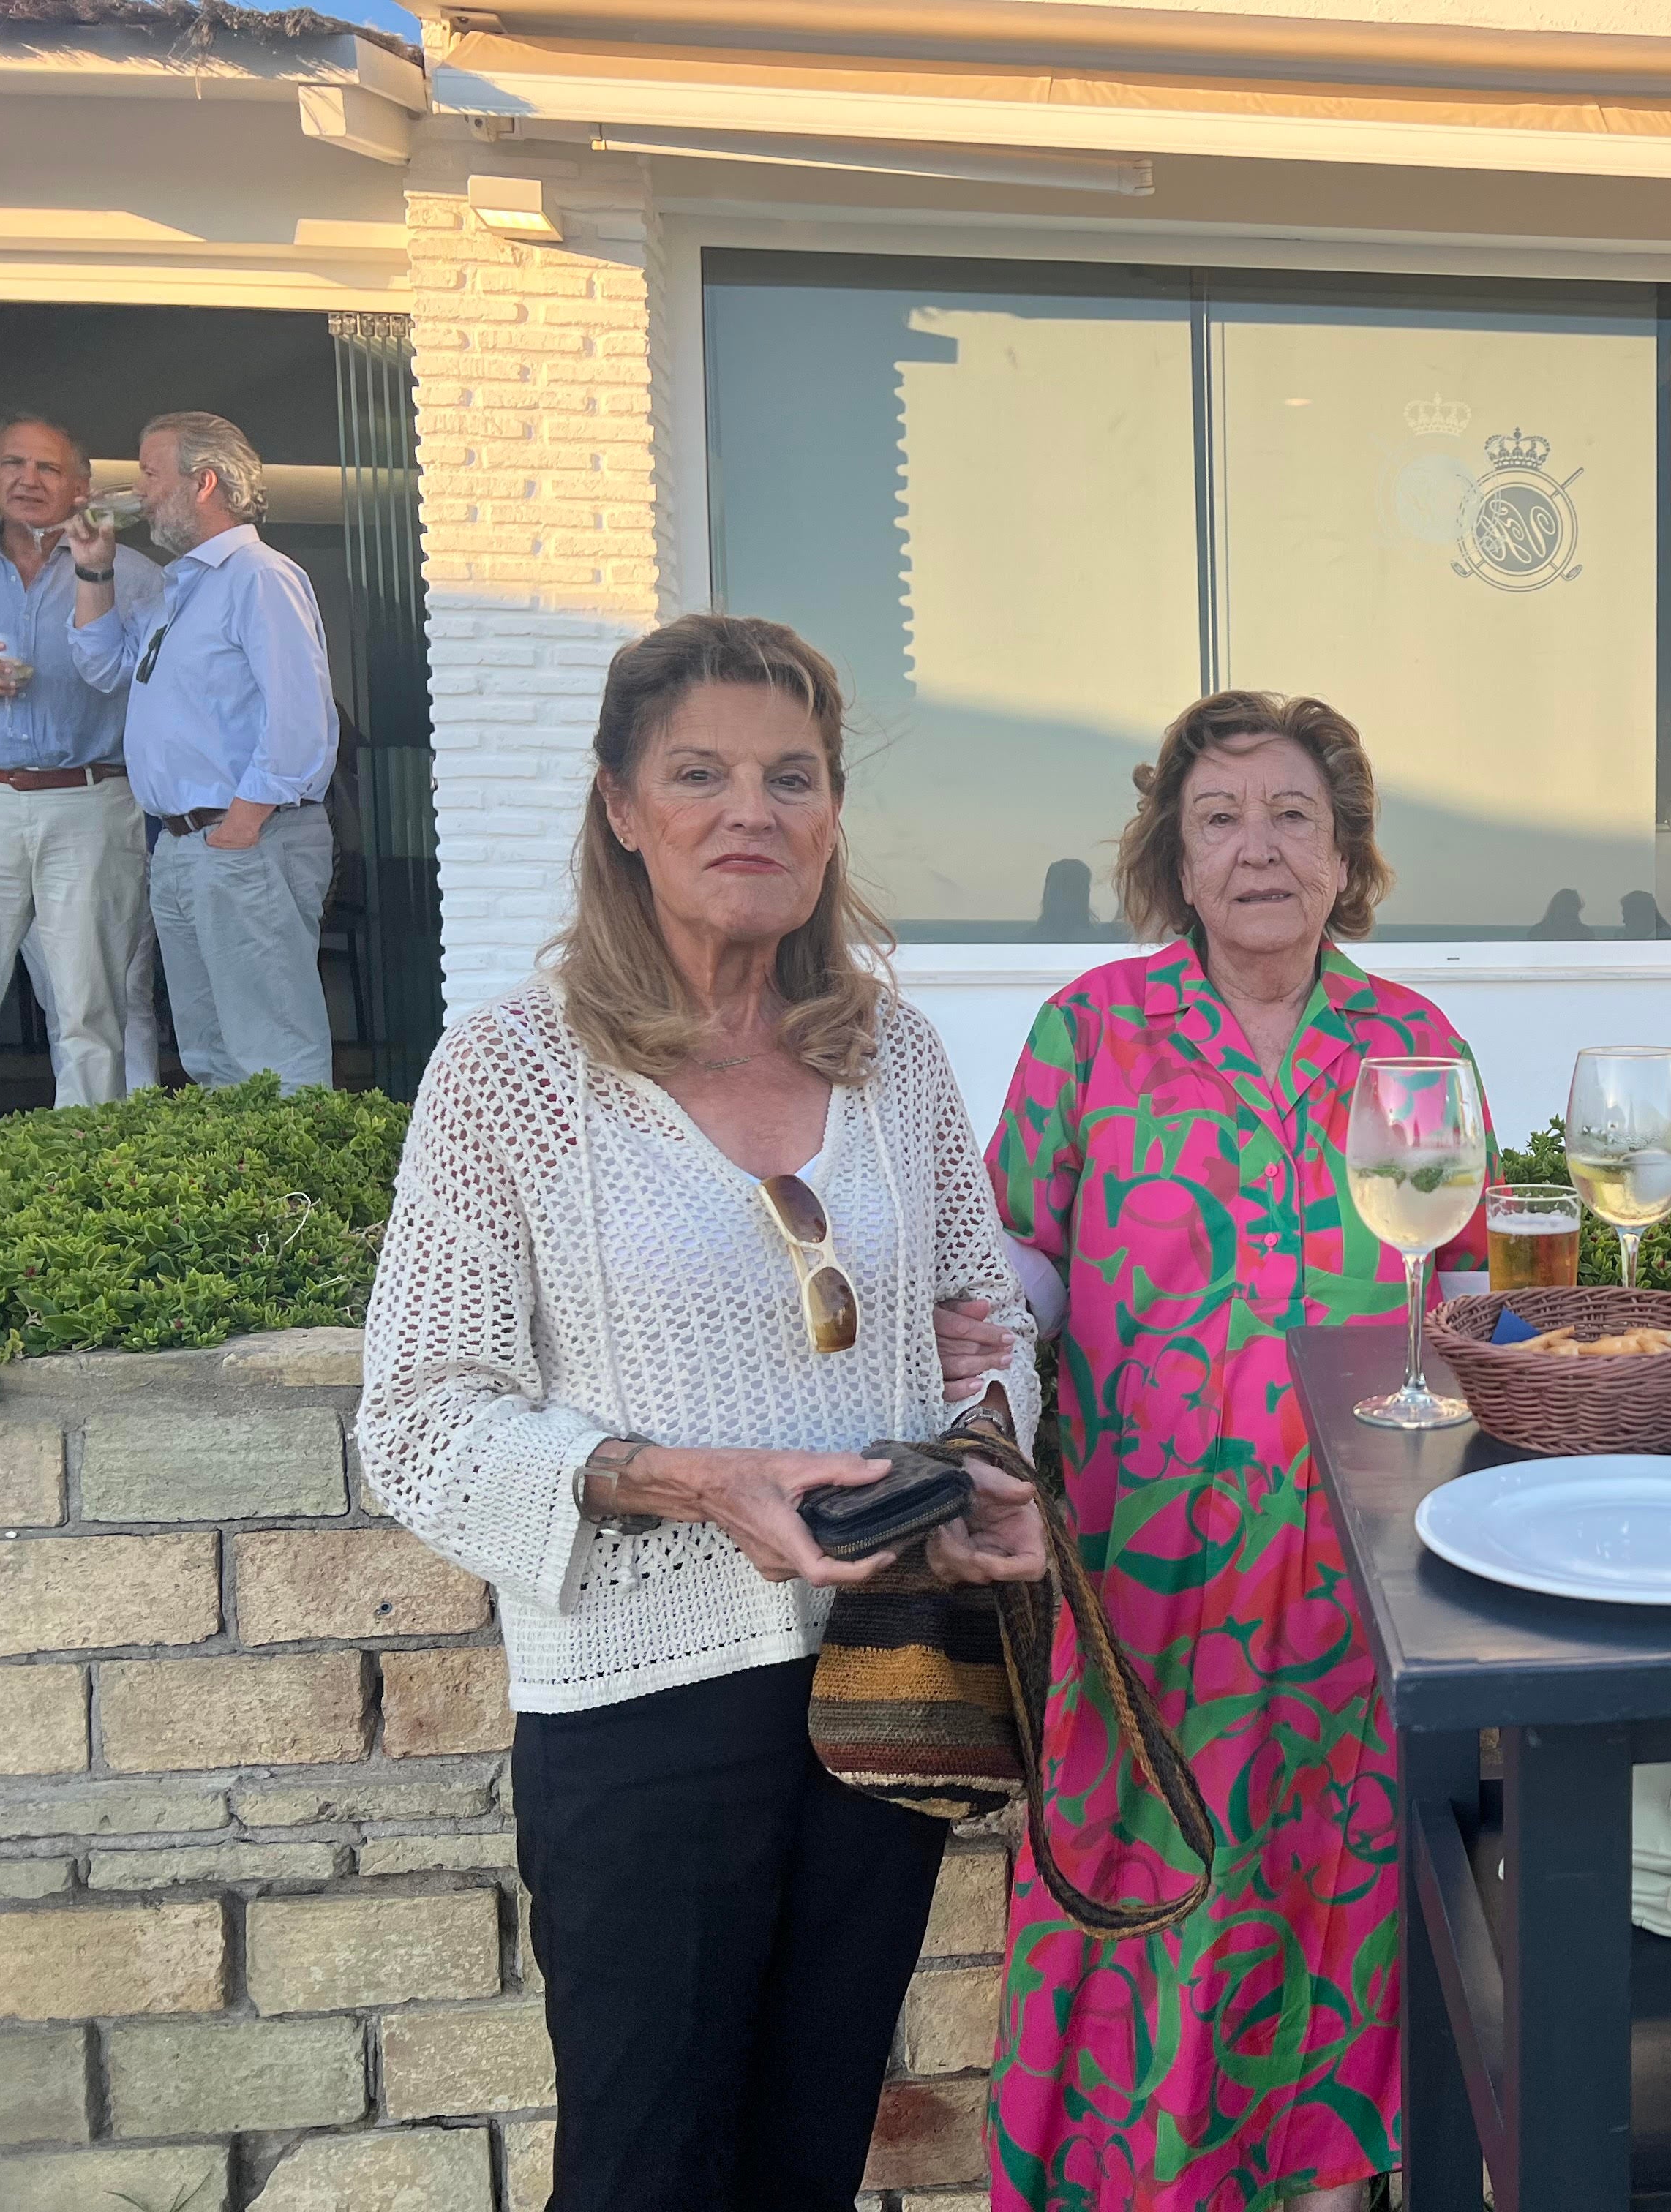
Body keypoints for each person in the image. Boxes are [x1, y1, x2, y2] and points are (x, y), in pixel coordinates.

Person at [357, 614, 1051, 2211]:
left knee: (810, 2154)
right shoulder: (513, 1075)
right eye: (702, 772)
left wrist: (991, 1457)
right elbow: (416, 1419)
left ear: (830, 817)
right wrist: (691, 1482)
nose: (755, 810)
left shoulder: (893, 1056)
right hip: (641, 1713)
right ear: (618, 805)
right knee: (645, 2169)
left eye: (792, 777)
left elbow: (984, 1324)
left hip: (883, 1682)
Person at [974, 688, 1488, 2212]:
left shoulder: (1414, 1039)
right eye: (1219, 818)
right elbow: (1023, 1263)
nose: (1257, 847)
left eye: (1291, 818)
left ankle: (1333, 2187)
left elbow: (1458, 1287)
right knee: (1141, 1890)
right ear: (1175, 861)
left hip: (1362, 1578)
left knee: (1340, 1897)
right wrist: (985, 1348)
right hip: (1144, 1583)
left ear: (1345, 859)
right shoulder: (1091, 1028)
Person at [64, 410, 337, 1091]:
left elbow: (299, 718)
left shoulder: (258, 576)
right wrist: (93, 571)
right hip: (186, 846)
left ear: (204, 482)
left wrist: (240, 828)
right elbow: (105, 671)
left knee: (273, 1051)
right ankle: (248, 1198)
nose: (141, 492)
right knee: (212, 1059)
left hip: (243, 838)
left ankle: (296, 1200)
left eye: (151, 474)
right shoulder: (179, 589)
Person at [0, 414, 161, 1108]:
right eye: (12, 464)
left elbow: (166, 690)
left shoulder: (138, 577)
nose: (27, 479)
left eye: (48, 468)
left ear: (81, 485)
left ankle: (86, 1184)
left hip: (92, 803)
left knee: (91, 1010)